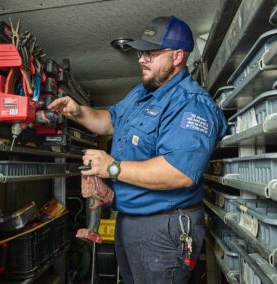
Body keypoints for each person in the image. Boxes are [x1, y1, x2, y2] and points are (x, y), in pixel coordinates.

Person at [48, 16, 228, 284]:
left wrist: (111, 167)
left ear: (178, 56)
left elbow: (179, 173)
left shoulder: (191, 104)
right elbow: (110, 121)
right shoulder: (141, 93)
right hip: (131, 220)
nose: (142, 59)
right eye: (142, 52)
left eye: (151, 53)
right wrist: (78, 112)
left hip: (164, 226)